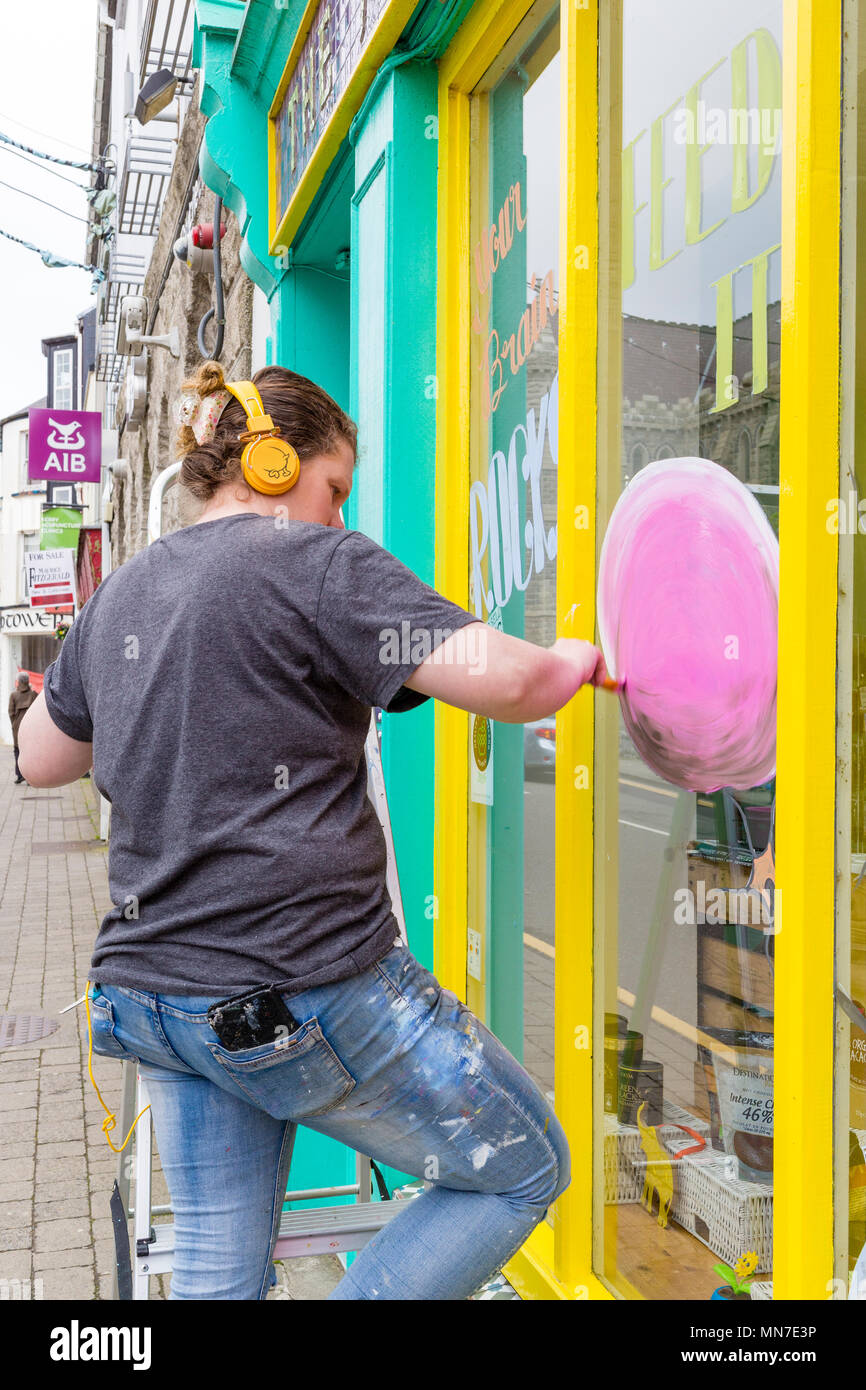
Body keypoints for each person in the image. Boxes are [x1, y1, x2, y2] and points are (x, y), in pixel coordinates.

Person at [17, 360, 611, 1301]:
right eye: (334, 486)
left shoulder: (121, 596)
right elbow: (511, 684)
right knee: (520, 1167)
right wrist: (577, 655)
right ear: (269, 461)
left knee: (217, 1263)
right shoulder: (319, 562)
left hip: (153, 999)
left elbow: (39, 757)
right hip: (298, 987)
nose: (338, 514)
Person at [8, 671, 37, 784]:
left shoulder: (13, 695)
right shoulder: (34, 694)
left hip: (17, 727)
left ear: (19, 682)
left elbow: (10, 712)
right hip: (32, 727)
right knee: (31, 751)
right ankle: (30, 778)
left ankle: (20, 775)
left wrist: (14, 723)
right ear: (28, 681)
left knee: (17, 750)